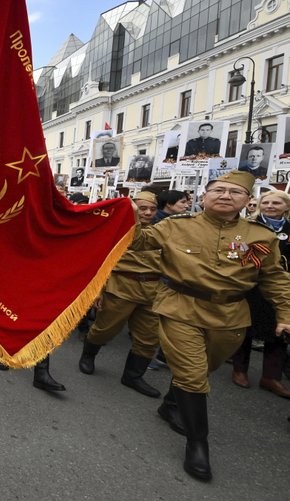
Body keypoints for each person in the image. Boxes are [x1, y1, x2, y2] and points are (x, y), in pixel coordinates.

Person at [129, 171, 290, 481]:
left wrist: (285, 313)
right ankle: (197, 443)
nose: (225, 195)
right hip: (181, 307)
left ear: (246, 201)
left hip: (230, 316)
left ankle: (170, 404)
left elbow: (274, 279)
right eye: (218, 190)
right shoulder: (176, 226)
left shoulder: (260, 237)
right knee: (191, 373)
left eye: (234, 192)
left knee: (202, 370)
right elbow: (140, 241)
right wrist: (133, 217)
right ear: (203, 197)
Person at [78, 191, 163, 398]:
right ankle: (88, 356)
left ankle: (133, 376)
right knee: (105, 329)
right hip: (121, 286)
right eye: (142, 209)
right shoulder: (118, 230)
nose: (148, 213)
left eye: (152, 209)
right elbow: (102, 263)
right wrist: (98, 291)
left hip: (153, 290)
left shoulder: (164, 231)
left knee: (148, 338)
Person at [231, 189, 290, 398]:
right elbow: (236, 252)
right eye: (266, 202)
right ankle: (239, 370)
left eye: (276, 203)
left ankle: (271, 377)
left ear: (286, 206)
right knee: (245, 328)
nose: (271, 206)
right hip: (252, 286)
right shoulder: (248, 227)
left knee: (280, 332)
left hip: (281, 286)